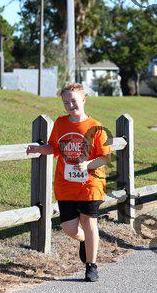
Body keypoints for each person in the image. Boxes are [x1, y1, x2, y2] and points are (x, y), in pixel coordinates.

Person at [26, 83, 111, 281]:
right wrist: (39, 149)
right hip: (66, 185)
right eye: (66, 102)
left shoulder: (96, 128)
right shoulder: (60, 123)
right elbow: (54, 148)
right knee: (69, 228)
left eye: (73, 101)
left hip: (90, 184)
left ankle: (91, 266)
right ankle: (85, 241)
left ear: (83, 99)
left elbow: (105, 157)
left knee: (89, 222)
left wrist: (88, 164)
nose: (70, 105)